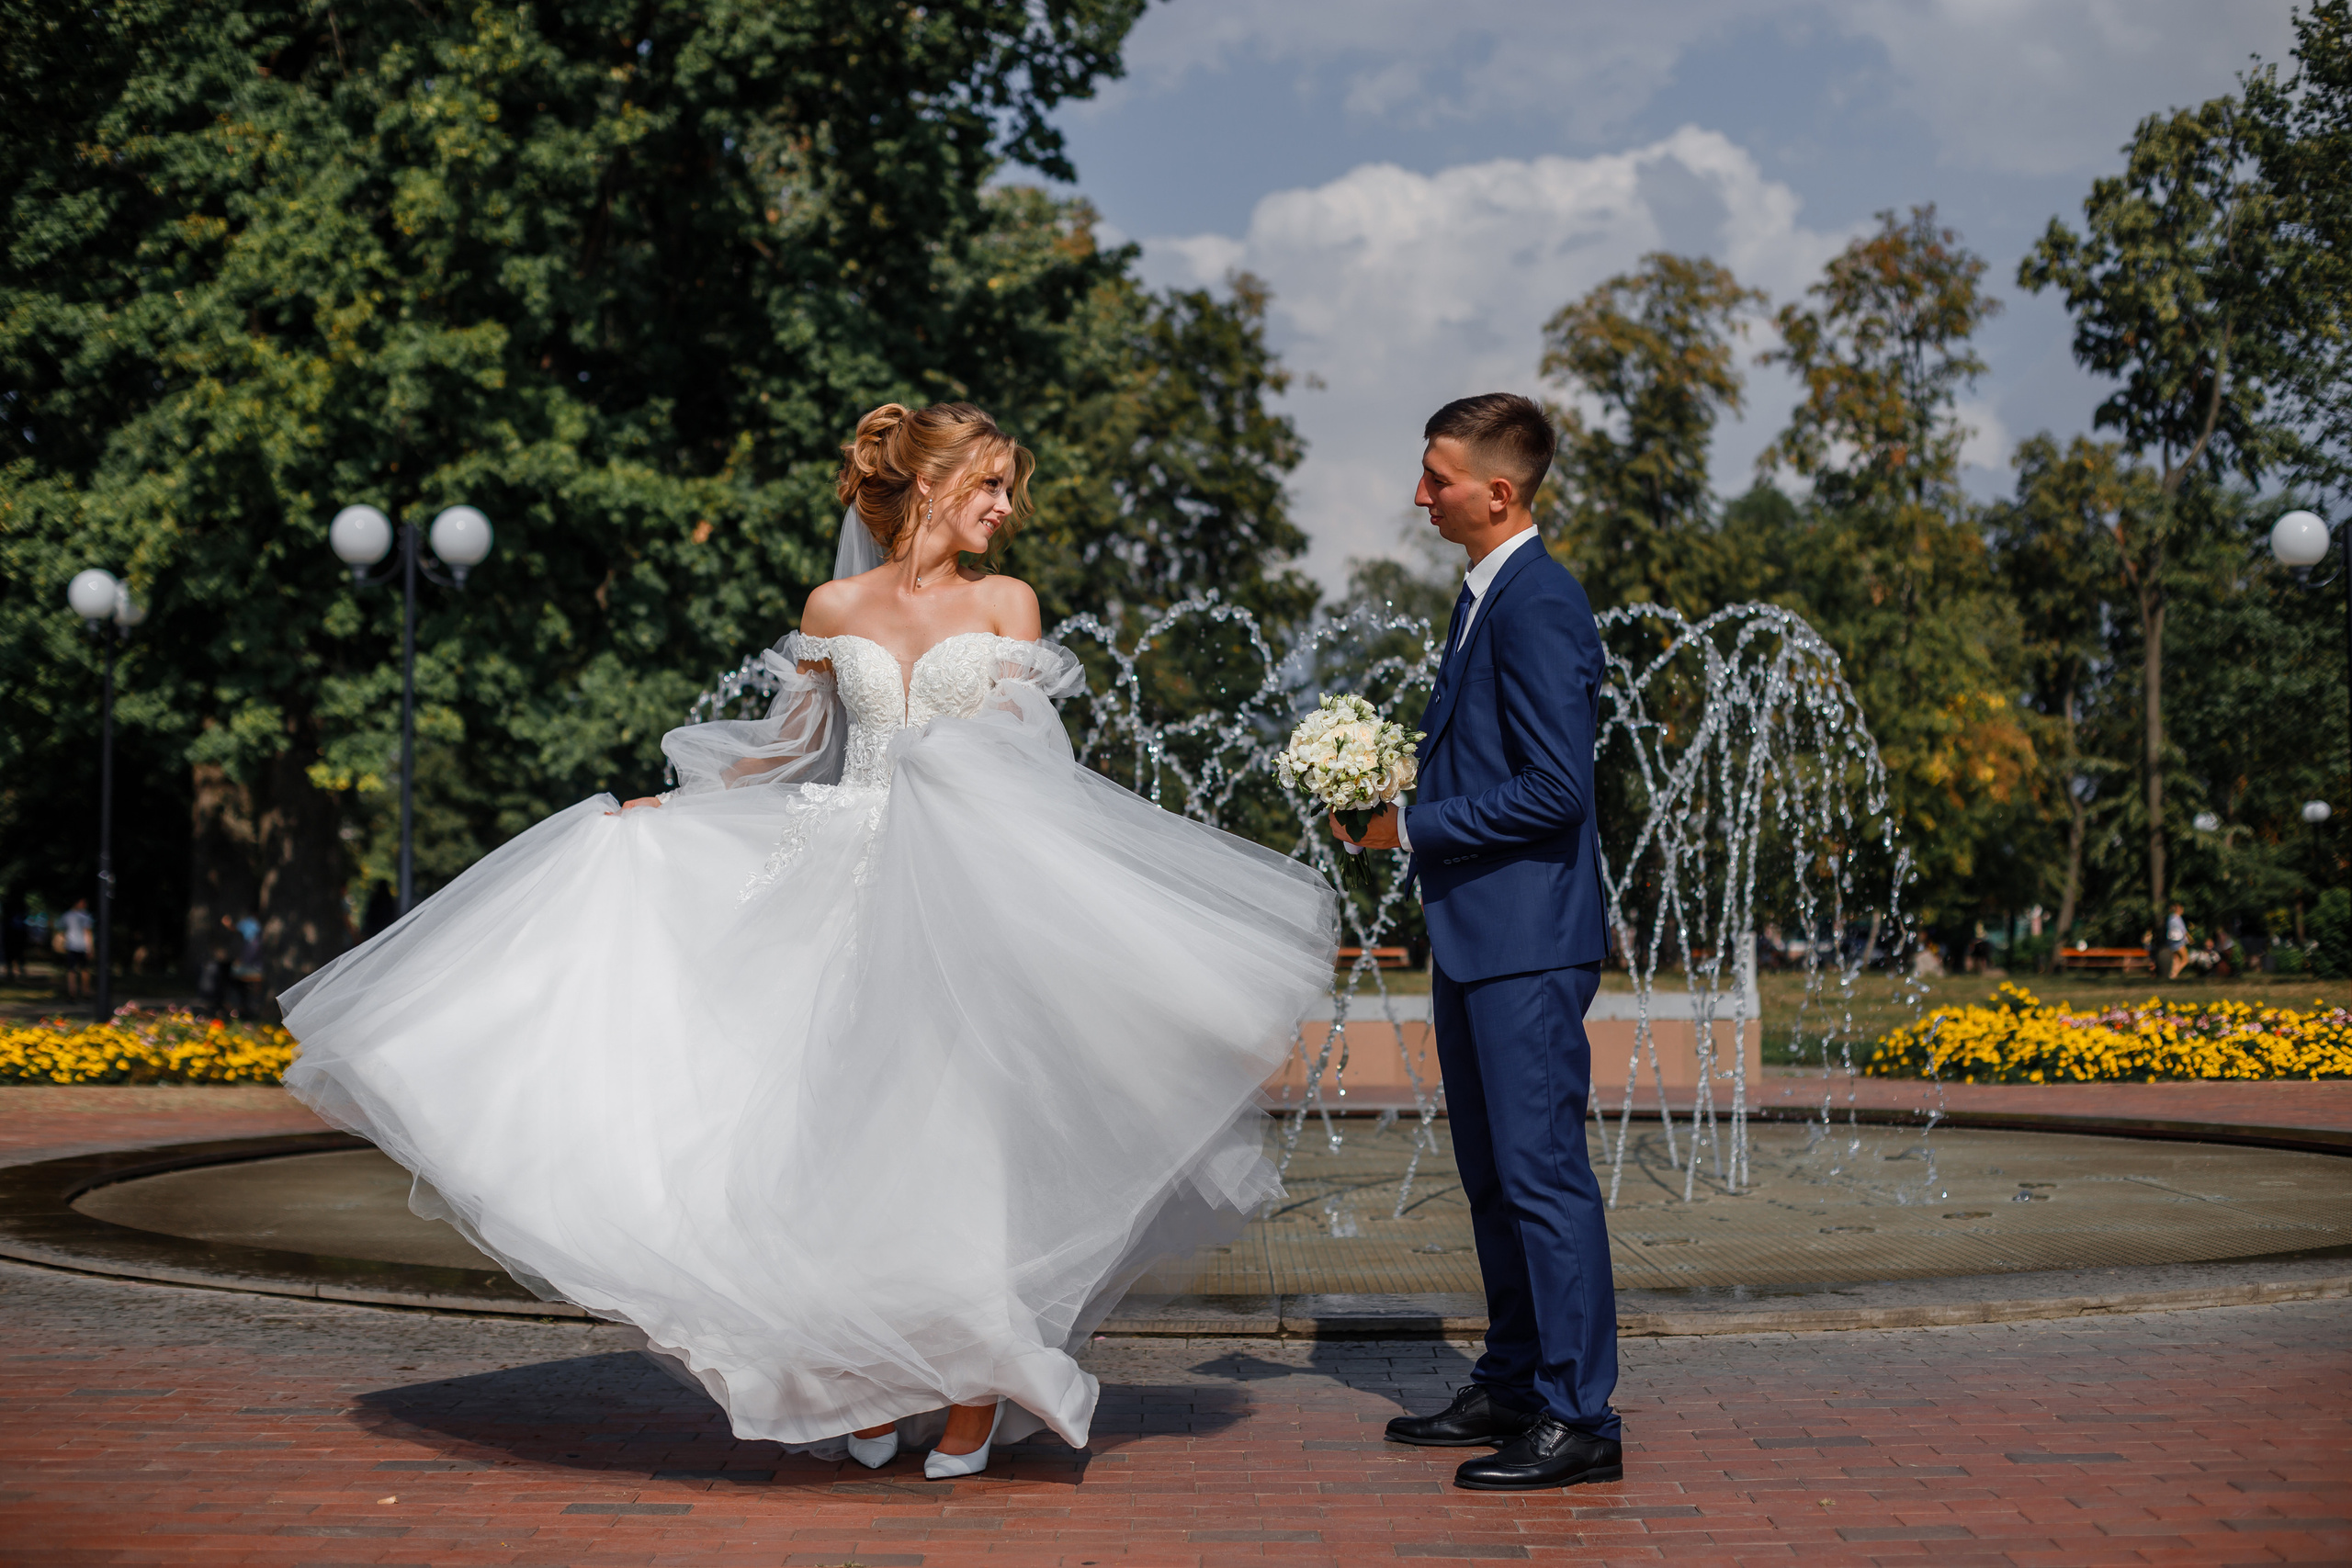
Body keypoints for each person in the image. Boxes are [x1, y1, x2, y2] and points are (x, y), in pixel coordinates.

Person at [277, 402, 1336, 1480]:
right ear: (930, 484)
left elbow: (1034, 764)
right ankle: (858, 1373)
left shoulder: (1007, 603)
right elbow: (787, 750)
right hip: (841, 880)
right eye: (990, 485)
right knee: (831, 1141)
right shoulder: (833, 607)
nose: (1006, 508)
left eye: (1007, 488)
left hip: (966, 889)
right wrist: (668, 810)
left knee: (963, 1140)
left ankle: (974, 1393)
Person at [1334, 394, 1620, 1492]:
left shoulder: (1539, 600)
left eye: (1437, 477)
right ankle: (1511, 1381)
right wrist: (1379, 785)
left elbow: (1554, 791)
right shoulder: (1482, 595)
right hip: (1479, 936)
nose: (1421, 495)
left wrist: (1409, 826)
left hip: (1527, 939)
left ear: (1497, 493)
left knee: (1541, 1177)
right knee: (1494, 1178)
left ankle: (1578, 1417)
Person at [58, 898, 94, 1002]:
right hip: (82, 946)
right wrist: (90, 948)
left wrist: (62, 942)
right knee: (84, 970)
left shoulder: (66, 915)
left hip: (71, 946)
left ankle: (72, 993)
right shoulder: (85, 916)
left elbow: (61, 930)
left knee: (72, 970)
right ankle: (85, 993)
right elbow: (88, 933)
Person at [2165, 902, 2190, 979]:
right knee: (2185, 959)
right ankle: (2174, 974)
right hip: (2179, 941)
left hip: (2171, 941)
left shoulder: (2170, 918)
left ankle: (2173, 974)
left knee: (2176, 959)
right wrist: (2189, 939)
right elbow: (2183, 930)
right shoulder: (2178, 918)